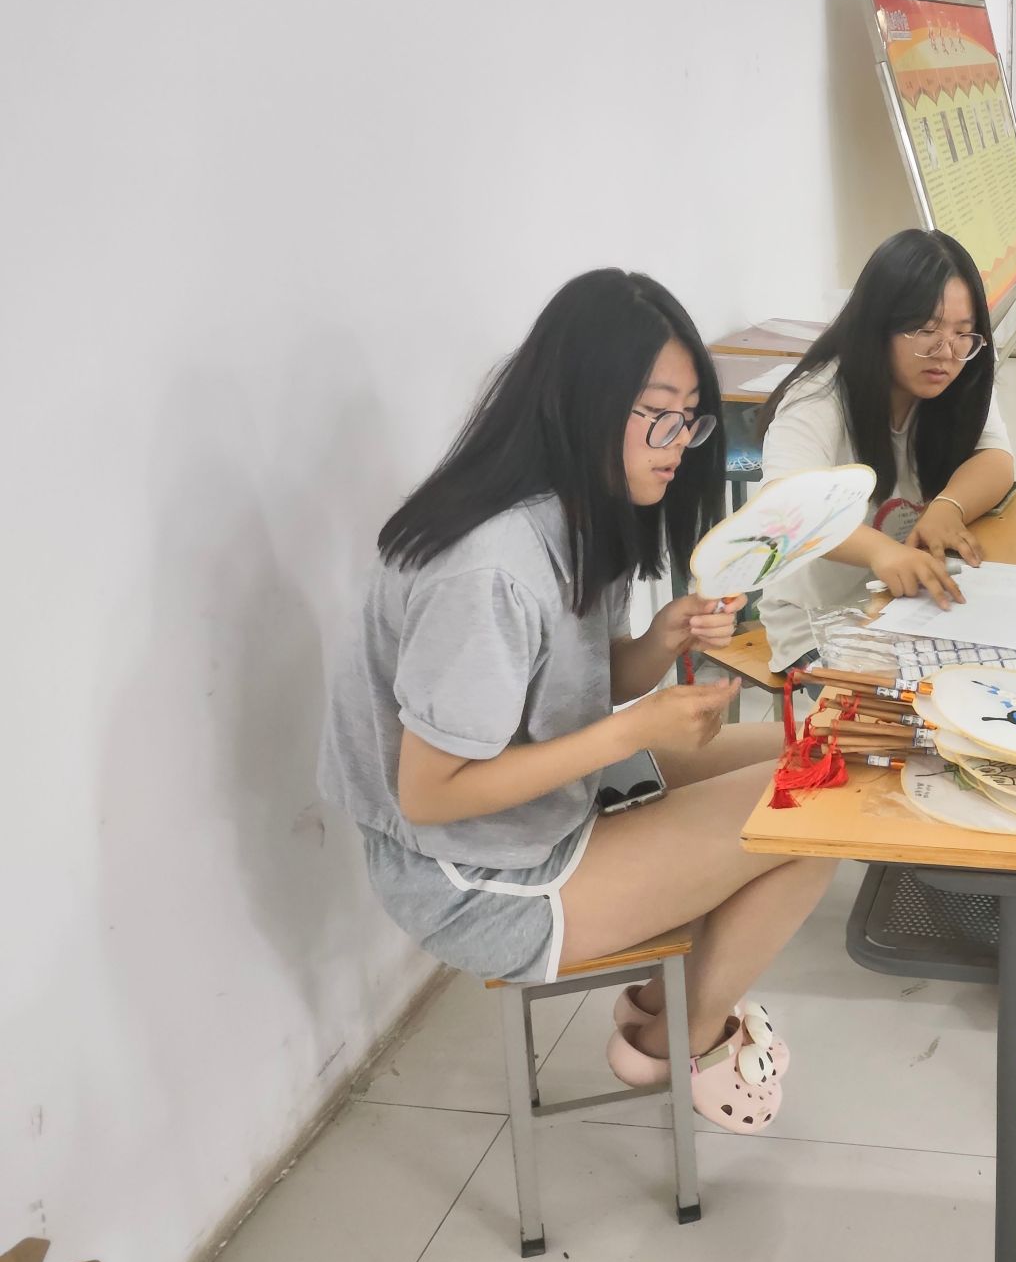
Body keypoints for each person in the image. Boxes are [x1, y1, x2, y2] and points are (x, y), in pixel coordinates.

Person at [319, 270, 837, 1135]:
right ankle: (681, 1034)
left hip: (532, 809)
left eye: (690, 418)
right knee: (818, 810)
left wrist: (660, 640)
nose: (679, 443)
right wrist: (630, 731)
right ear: (582, 404)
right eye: (658, 415)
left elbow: (577, 687)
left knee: (828, 767)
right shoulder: (489, 566)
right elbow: (430, 792)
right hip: (475, 876)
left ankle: (661, 1006)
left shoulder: (576, 508)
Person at [757, 229, 1015, 671]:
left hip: (910, 607)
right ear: (878, 325)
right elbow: (784, 510)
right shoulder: (818, 398)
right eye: (926, 330)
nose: (946, 353)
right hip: (819, 624)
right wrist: (881, 551)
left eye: (962, 333)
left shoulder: (958, 379)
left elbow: (996, 459)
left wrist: (948, 507)